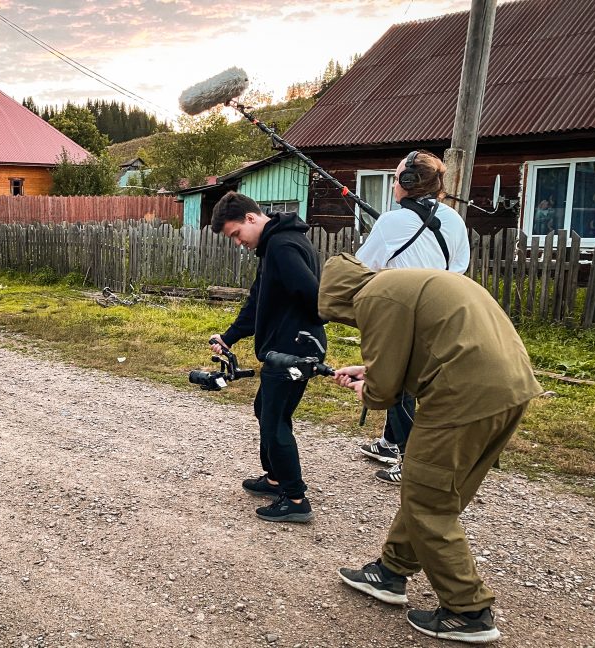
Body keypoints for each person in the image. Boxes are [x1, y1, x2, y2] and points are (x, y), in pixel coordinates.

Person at [319, 253, 542, 644]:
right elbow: (423, 347)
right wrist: (369, 371)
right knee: (433, 490)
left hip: (461, 395)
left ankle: (467, 610)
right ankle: (391, 571)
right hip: (509, 389)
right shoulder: (405, 283)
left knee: (428, 501)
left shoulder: (372, 297)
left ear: (336, 297)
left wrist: (367, 388)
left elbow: (386, 390)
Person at [354, 150, 470, 486]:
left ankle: (410, 459)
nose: (393, 183)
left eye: (396, 177)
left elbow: (364, 265)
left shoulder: (391, 221)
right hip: (445, 311)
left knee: (397, 383)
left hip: (406, 313)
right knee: (416, 383)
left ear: (407, 182)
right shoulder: (453, 219)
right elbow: (459, 267)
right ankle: (390, 442)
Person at [209, 191, 326, 524]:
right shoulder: (272, 247)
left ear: (250, 218)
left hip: (293, 351)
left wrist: (296, 330)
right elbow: (258, 301)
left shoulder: (282, 247)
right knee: (265, 409)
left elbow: (314, 297)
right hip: (285, 349)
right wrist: (228, 337)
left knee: (275, 422)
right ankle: (275, 479)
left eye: (236, 235)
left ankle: (295, 498)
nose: (237, 243)